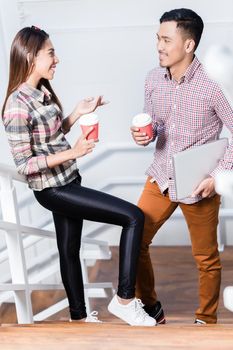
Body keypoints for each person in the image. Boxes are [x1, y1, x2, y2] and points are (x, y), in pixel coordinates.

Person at [2, 26, 156, 327]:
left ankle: (79, 317)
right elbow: (25, 164)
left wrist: (75, 113)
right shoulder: (16, 106)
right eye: (50, 53)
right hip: (53, 189)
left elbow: (50, 137)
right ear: (32, 57)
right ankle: (125, 300)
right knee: (133, 216)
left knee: (69, 250)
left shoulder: (42, 91)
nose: (56, 58)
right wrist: (73, 153)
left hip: (68, 180)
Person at [131, 8, 233, 324]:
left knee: (206, 259)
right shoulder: (152, 79)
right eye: (157, 39)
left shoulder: (215, 84)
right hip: (161, 175)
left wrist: (217, 177)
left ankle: (205, 321)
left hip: (199, 182)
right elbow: (157, 123)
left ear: (188, 45)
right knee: (134, 242)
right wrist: (143, 134)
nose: (159, 46)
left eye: (166, 39)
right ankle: (150, 308)